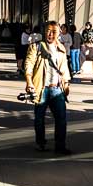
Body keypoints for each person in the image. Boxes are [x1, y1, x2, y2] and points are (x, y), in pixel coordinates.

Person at [25, 21, 72, 155]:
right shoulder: (37, 47)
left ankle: (60, 146)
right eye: (48, 31)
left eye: (54, 32)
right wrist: (29, 82)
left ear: (59, 33)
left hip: (57, 89)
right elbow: (28, 64)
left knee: (61, 118)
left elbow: (64, 69)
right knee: (39, 118)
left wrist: (66, 85)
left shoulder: (61, 48)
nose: (50, 34)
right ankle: (41, 143)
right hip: (42, 88)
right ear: (44, 31)